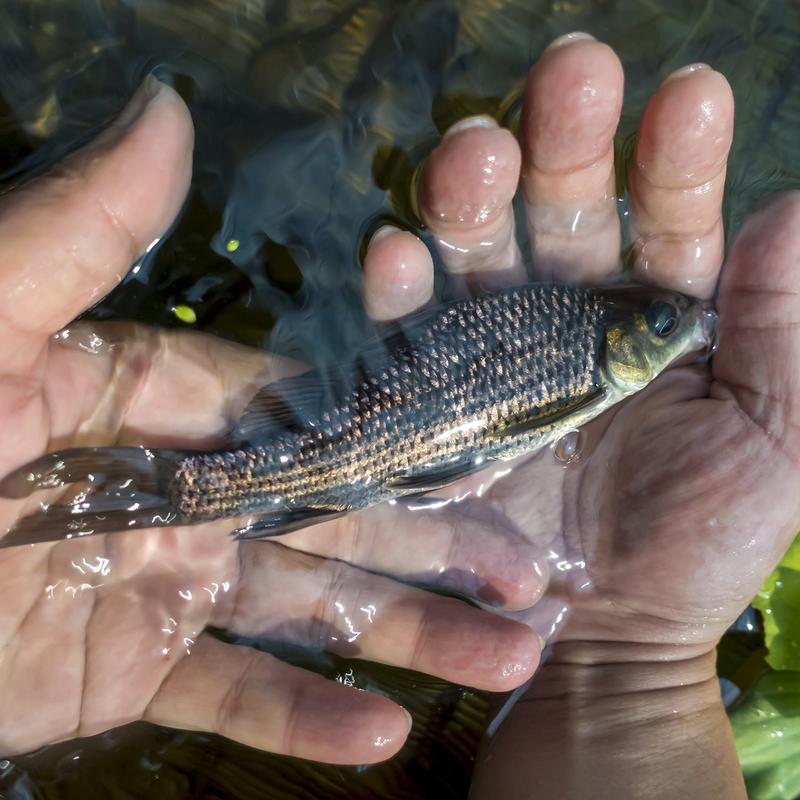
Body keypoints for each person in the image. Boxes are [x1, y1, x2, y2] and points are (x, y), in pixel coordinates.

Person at [0, 29, 795, 798]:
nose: (683, 325)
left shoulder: (591, 348)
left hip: (373, 447)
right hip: (374, 452)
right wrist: (643, 661)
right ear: (616, 341)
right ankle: (172, 488)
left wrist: (638, 650)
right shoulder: (589, 368)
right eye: (660, 325)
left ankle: (165, 489)